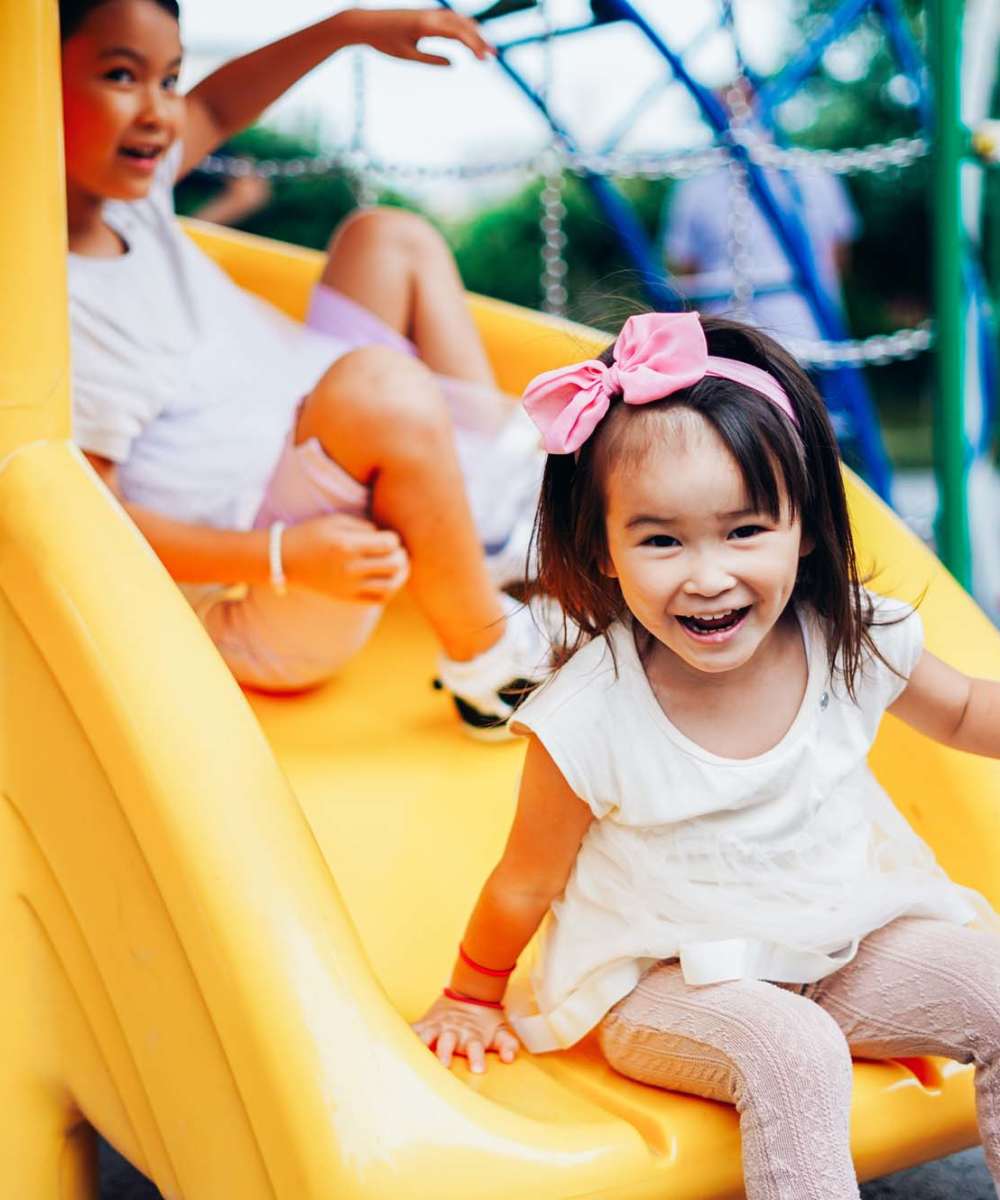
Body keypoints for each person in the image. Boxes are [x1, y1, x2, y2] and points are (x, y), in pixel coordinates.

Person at [413, 311, 1000, 1198]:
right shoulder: (592, 715)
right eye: (660, 539)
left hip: (840, 944)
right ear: (602, 552)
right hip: (664, 985)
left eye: (744, 531)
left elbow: (960, 712)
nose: (708, 573)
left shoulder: (848, 636)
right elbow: (524, 881)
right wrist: (471, 992)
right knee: (794, 1053)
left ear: (804, 530)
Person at [61, 0, 547, 734]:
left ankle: (500, 488)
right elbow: (86, 523)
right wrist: (285, 556)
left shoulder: (129, 197)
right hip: (265, 588)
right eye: (121, 75)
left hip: (306, 431)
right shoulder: (52, 301)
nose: (160, 112)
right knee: (379, 389)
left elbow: (218, 107)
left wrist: (348, 27)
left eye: (168, 78)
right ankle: (489, 663)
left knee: (387, 239)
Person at [663, 108, 858, 346]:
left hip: (800, 337)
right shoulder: (696, 188)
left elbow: (683, 270)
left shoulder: (813, 176)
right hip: (742, 341)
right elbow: (684, 271)